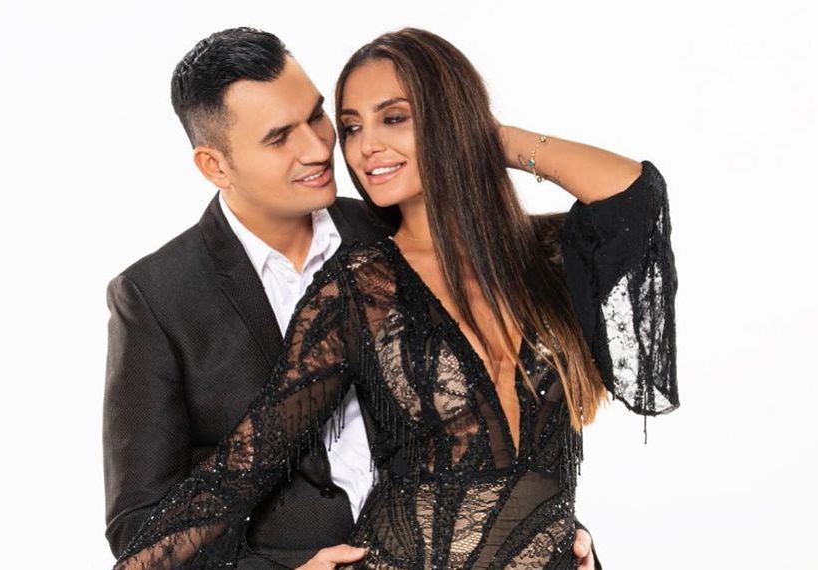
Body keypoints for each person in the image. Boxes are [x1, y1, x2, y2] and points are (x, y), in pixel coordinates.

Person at [105, 28, 606, 569]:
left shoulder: (397, 227)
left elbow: (483, 418)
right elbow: (141, 526)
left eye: (317, 117)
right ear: (215, 165)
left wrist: (535, 526)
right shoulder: (156, 296)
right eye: (280, 138)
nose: (318, 148)